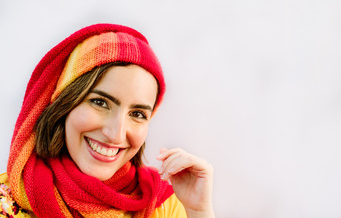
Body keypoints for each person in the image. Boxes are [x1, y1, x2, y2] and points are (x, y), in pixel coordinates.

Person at [0, 24, 214, 217]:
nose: (116, 134)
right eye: (100, 103)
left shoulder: (166, 206)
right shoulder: (8, 201)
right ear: (65, 103)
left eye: (137, 114)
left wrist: (198, 211)